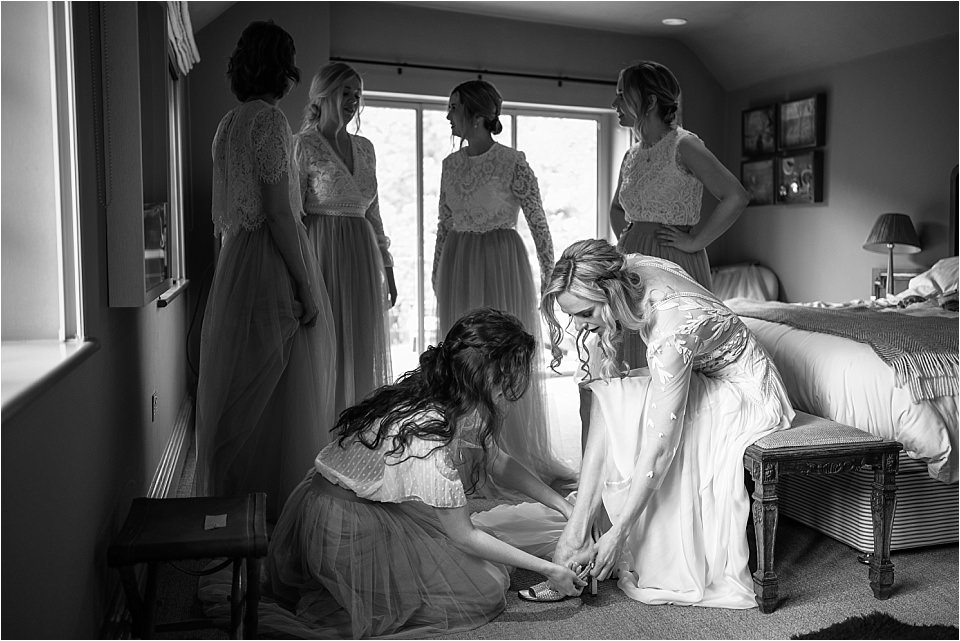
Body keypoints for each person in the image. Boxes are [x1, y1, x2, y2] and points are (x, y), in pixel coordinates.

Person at [215, 308, 585, 639]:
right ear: (488, 376)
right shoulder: (431, 435)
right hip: (344, 524)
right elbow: (464, 536)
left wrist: (563, 506)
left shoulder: (446, 390)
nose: (517, 385)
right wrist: (547, 569)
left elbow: (495, 460)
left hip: (339, 500)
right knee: (484, 587)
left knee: (484, 561)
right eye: (513, 374)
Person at [475, 239, 793, 608]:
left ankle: (586, 537)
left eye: (586, 314)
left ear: (609, 294)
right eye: (573, 316)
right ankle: (579, 529)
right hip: (703, 373)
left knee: (623, 408)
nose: (579, 326)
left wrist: (620, 534)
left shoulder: (671, 333)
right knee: (609, 396)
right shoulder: (629, 267)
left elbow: (660, 450)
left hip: (745, 395)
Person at [195, 21, 337, 520]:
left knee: (243, 392)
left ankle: (237, 509)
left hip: (236, 260)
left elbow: (223, 216)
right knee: (278, 392)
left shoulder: (226, 125)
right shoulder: (270, 122)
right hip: (269, 262)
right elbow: (279, 213)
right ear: (283, 67)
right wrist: (306, 286)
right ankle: (275, 513)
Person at [432, 79, 571, 489]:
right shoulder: (449, 165)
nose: (448, 116)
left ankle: (504, 452)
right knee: (460, 360)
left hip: (501, 262)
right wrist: (438, 271)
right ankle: (463, 452)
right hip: (459, 262)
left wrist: (551, 277)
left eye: (454, 107)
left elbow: (539, 223)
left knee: (498, 358)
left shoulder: (513, 161)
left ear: (477, 116)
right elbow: (443, 224)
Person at [610, 61, 749, 369]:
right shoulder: (631, 154)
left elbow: (735, 196)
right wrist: (630, 238)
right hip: (633, 265)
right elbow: (617, 208)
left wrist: (695, 241)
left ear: (649, 101)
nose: (614, 103)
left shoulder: (684, 145)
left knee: (673, 357)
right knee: (635, 358)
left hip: (674, 262)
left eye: (622, 94)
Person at [294, 61, 396, 420]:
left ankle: (356, 428)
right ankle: (321, 428)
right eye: (346, 92)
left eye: (357, 94)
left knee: (360, 346)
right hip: (320, 254)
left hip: (362, 256)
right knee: (324, 347)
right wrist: (297, 276)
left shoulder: (365, 148)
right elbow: (293, 215)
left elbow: (375, 212)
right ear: (323, 94)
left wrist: (388, 268)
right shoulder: (302, 146)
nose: (353, 101)